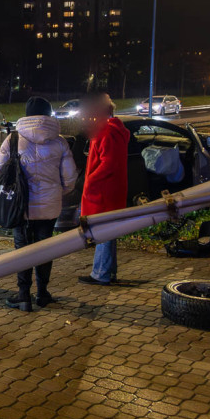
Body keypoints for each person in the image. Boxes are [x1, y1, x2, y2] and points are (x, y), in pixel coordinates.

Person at [0, 96, 78, 311]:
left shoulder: (13, 140)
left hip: (20, 208)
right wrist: (56, 193)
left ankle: (23, 296)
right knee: (45, 250)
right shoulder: (59, 142)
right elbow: (69, 179)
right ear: (48, 114)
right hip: (49, 209)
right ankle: (42, 294)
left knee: (22, 250)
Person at [77, 91, 129, 286]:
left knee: (103, 231)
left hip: (103, 191)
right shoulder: (111, 130)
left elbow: (109, 162)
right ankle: (108, 271)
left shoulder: (107, 132)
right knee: (108, 232)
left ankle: (101, 273)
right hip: (110, 189)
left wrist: (91, 180)